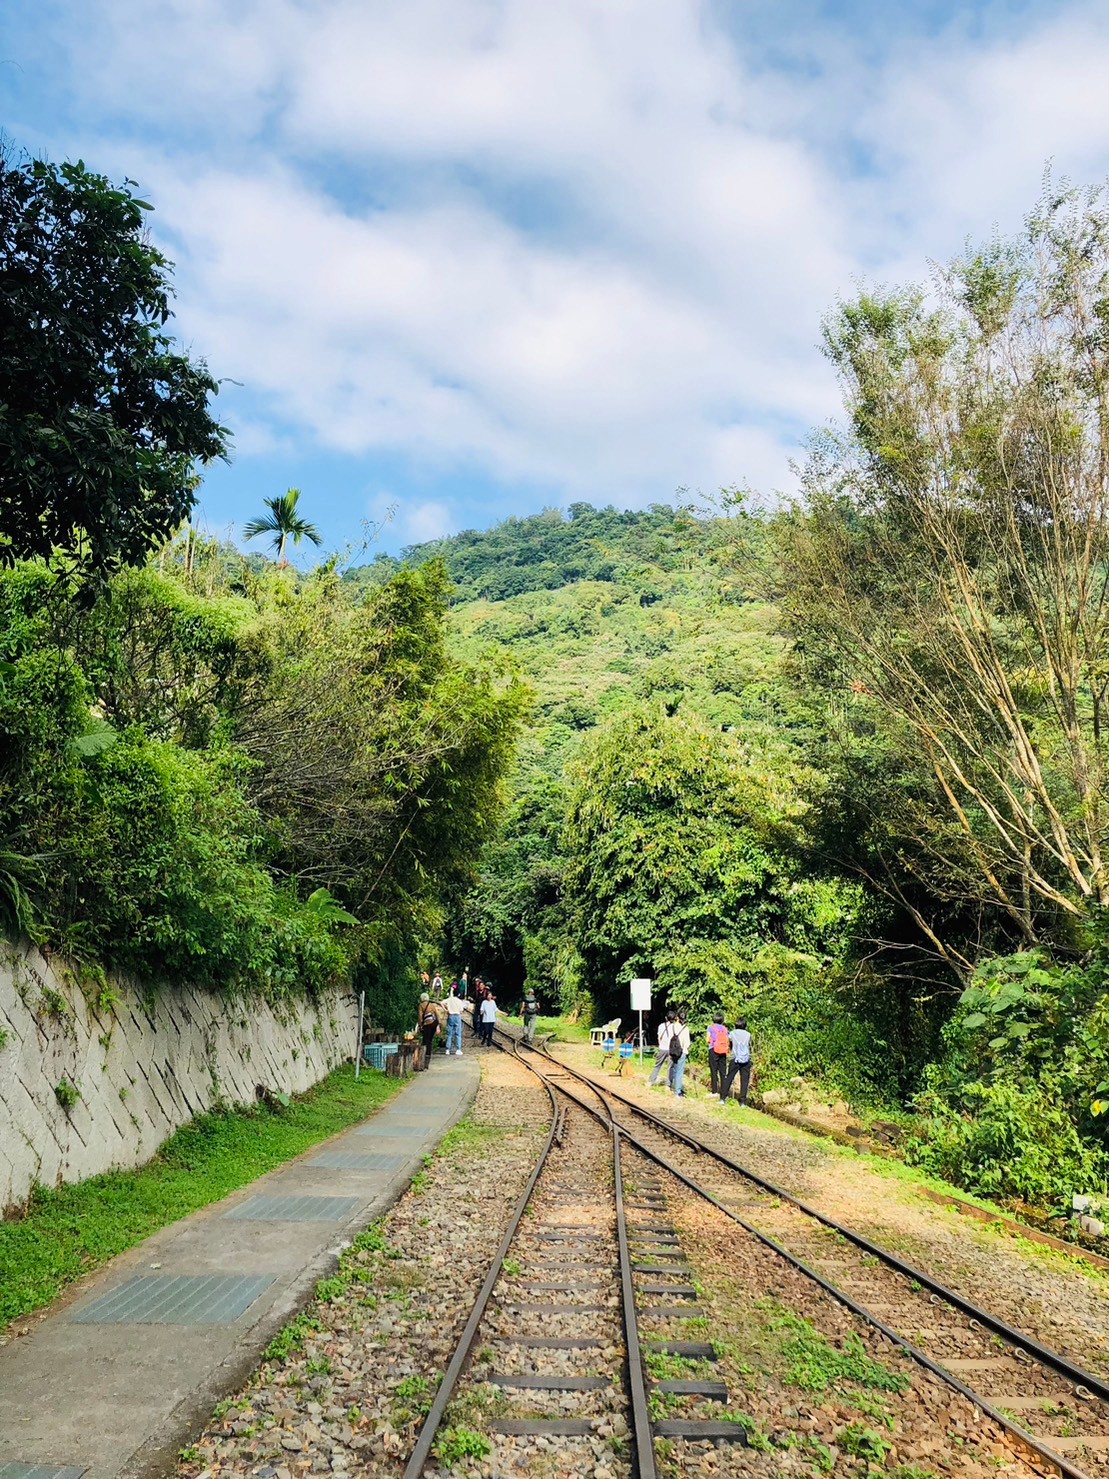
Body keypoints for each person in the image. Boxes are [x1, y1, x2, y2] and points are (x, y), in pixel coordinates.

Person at [723, 1017, 753, 1105]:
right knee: (744, 1080)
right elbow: (750, 1045)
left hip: (735, 1058)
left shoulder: (732, 1033)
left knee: (729, 1077)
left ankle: (723, 1097)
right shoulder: (748, 1034)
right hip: (745, 1059)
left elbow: (728, 1042)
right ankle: (742, 1101)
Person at [648, 1012, 678, 1087]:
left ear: (666, 1018)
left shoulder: (661, 1026)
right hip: (671, 1049)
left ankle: (651, 1080)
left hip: (662, 1048)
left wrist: (660, 1045)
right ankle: (669, 1084)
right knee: (670, 1067)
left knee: (658, 1065)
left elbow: (659, 1038)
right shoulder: (675, 1026)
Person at [706, 1013, 730, 1101]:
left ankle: (714, 1091)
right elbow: (727, 1040)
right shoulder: (725, 1029)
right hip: (723, 1051)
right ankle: (724, 1093)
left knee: (713, 1070)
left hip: (713, 1050)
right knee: (723, 1072)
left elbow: (707, 1040)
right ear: (722, 1020)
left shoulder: (711, 1027)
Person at [668, 1014, 691, 1096]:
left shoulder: (672, 1026)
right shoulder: (685, 1028)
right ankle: (677, 1091)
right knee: (680, 1071)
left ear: (677, 1017)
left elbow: (669, 1038)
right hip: (682, 1051)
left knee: (674, 1068)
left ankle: (673, 1086)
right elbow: (687, 1043)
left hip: (673, 1050)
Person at [416, 992, 440, 1069]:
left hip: (427, 1024)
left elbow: (420, 1016)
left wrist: (420, 1025)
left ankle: (424, 1059)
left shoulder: (421, 1005)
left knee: (425, 1041)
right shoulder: (432, 1005)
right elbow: (437, 1014)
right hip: (434, 1023)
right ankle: (428, 1057)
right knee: (430, 1040)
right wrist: (439, 1024)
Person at [444, 987, 465, 1056]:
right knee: (458, 1034)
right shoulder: (459, 1001)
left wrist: (446, 1010)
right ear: (458, 994)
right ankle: (458, 1049)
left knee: (449, 1033)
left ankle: (448, 1049)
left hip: (451, 1015)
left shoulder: (449, 999)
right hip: (457, 1016)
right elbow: (461, 1010)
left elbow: (441, 1002)